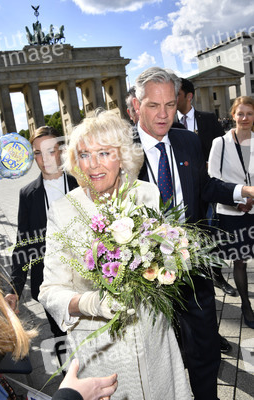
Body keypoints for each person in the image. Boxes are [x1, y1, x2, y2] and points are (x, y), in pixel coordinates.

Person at [39, 110, 192, 399]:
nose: (93, 165)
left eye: (104, 153)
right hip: (102, 353)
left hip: (154, 339)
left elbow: (165, 259)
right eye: (84, 155)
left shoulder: (147, 194)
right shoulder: (63, 211)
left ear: (122, 156)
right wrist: (89, 302)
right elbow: (49, 291)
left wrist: (171, 263)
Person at [131, 67, 254, 400]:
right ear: (136, 104)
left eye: (170, 105)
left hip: (193, 266)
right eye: (153, 105)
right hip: (144, 276)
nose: (163, 114)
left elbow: (205, 186)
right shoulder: (122, 151)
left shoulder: (186, 140)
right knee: (160, 357)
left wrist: (241, 191)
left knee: (205, 351)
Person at [0, 268, 118, 400]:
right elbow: (25, 250)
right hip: (58, 297)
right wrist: (69, 394)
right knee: (61, 335)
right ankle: (69, 374)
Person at [5, 126, 78, 338]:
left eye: (50, 150)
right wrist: (14, 290)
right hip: (50, 284)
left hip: (87, 280)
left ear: (62, 151)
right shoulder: (28, 194)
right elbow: (23, 243)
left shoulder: (82, 183)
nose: (44, 158)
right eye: (37, 152)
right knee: (63, 341)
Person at [176, 78, 237, 298]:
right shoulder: (169, 123)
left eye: (177, 94)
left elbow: (225, 151)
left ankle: (218, 276)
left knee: (214, 233)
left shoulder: (209, 119)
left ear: (188, 96)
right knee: (189, 236)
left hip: (209, 188)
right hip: (184, 193)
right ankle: (191, 281)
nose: (173, 98)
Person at [208, 96, 254, 329]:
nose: (245, 118)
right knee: (240, 261)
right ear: (233, 115)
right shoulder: (221, 143)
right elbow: (213, 179)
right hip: (232, 211)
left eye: (250, 113)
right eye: (241, 113)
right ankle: (246, 305)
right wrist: (238, 202)